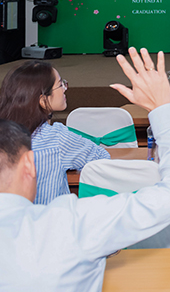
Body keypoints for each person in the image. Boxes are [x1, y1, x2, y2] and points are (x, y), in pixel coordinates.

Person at [0, 47, 170, 292]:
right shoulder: (74, 224)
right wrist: (163, 109)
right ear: (28, 165)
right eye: (60, 84)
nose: (65, 87)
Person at [0, 60, 109, 205]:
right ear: (43, 100)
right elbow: (101, 158)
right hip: (52, 217)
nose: (65, 88)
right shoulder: (57, 137)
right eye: (60, 84)